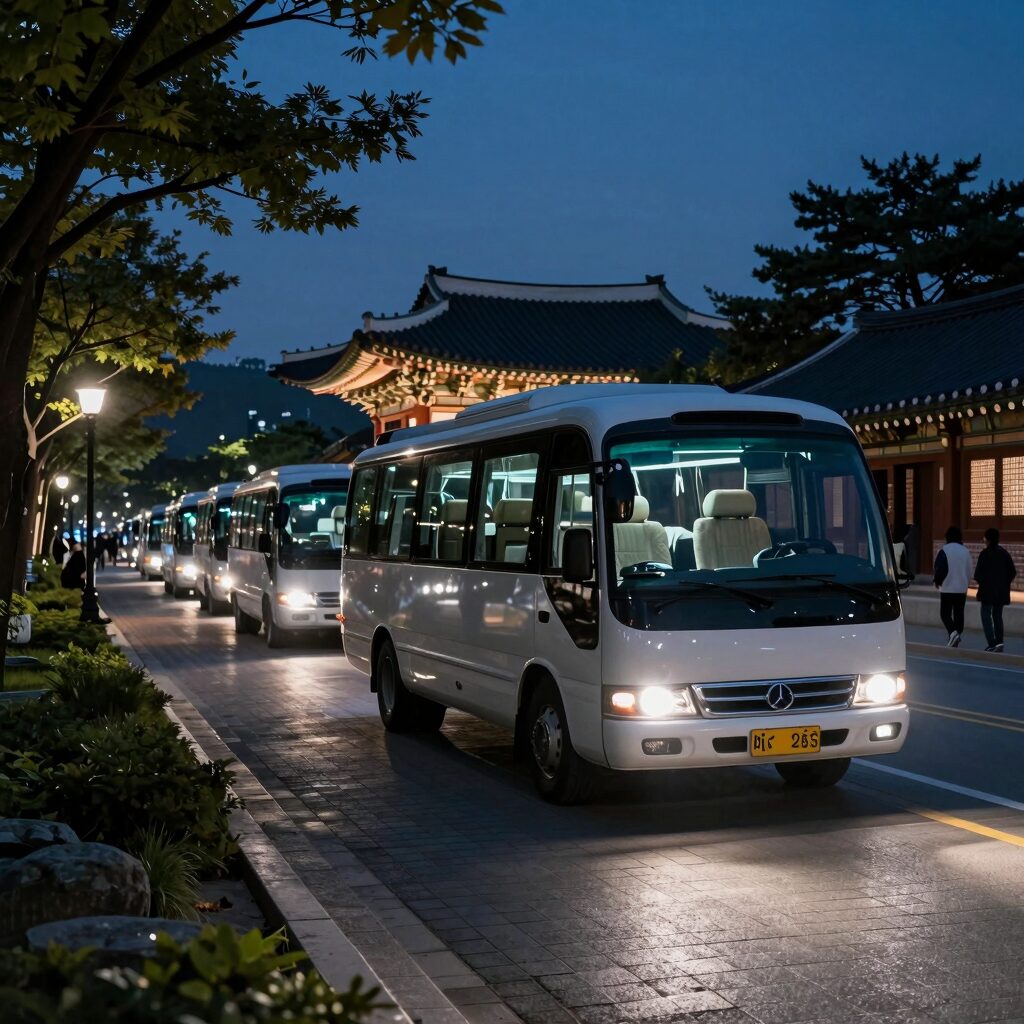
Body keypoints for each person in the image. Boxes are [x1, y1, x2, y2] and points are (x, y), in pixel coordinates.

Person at [973, 527, 1017, 652]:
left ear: (987, 539)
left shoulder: (985, 554)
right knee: (997, 615)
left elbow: (977, 575)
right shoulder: (1004, 553)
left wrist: (984, 583)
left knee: (985, 614)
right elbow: (1012, 572)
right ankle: (999, 642)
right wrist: (1004, 583)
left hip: (987, 591)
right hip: (1001, 591)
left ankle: (991, 642)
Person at [933, 525, 972, 647]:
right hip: (961, 588)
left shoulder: (944, 550)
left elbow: (940, 568)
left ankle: (952, 633)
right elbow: (969, 570)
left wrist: (937, 581)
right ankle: (956, 635)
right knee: (959, 614)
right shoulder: (965, 551)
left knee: (945, 614)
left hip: (948, 587)